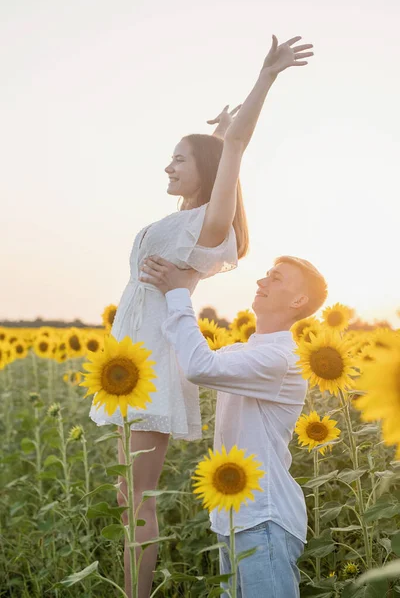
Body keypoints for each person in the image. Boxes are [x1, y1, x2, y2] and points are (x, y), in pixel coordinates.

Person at [89, 34, 314, 598]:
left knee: (137, 497)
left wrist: (264, 80)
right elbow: (221, 150)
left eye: (179, 160)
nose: (168, 166)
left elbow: (234, 151)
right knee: (126, 495)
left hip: (153, 363)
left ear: (206, 174)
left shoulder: (207, 230)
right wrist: (215, 133)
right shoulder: (187, 218)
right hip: (130, 355)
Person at [140, 253, 327, 598]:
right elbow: (188, 365)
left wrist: (178, 293)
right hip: (235, 515)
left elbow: (199, 367)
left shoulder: (281, 360)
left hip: (263, 517)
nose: (261, 282)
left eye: (276, 278)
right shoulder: (246, 352)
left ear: (299, 300)